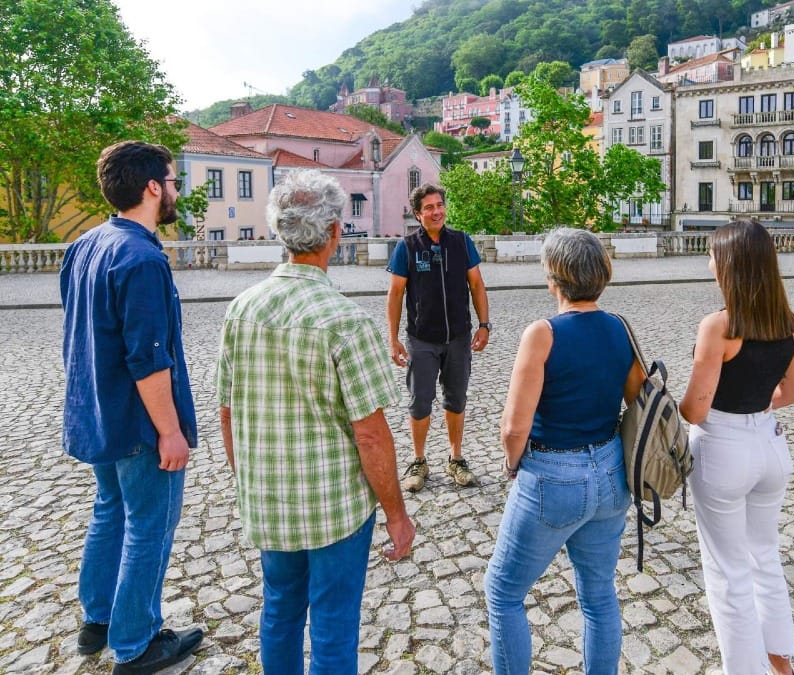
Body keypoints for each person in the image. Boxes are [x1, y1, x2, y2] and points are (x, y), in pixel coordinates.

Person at [217, 170, 416, 673]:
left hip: (269, 500)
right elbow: (370, 434)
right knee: (332, 622)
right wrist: (396, 514)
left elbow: (228, 410)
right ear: (334, 233)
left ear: (278, 232)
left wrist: (247, 480)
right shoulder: (345, 320)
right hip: (334, 508)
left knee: (279, 610)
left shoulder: (241, 309)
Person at [60, 141, 204, 673]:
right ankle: (137, 643)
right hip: (140, 422)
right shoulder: (142, 257)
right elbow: (148, 358)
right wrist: (170, 430)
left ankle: (97, 619)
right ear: (151, 187)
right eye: (172, 181)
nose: (175, 191)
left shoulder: (85, 245)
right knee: (148, 526)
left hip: (97, 410)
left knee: (109, 512)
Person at [485, 228, 644, 674]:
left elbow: (514, 427)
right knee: (598, 595)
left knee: (503, 591)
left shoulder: (543, 333)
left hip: (553, 474)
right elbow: (637, 400)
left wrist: (513, 465)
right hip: (611, 474)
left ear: (554, 277)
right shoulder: (619, 328)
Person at [679, 219, 794, 675]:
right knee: (765, 558)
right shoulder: (788, 326)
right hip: (770, 448)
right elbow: (791, 393)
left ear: (729, 266)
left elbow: (695, 409)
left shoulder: (719, 327)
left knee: (727, 571)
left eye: (713, 255)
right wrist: (757, 403)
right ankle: (780, 662)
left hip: (724, 448)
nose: (708, 261)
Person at [386, 183, 490, 491]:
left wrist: (484, 325)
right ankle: (419, 461)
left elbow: (477, 285)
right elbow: (395, 294)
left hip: (458, 336)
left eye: (439, 205)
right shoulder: (407, 247)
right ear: (418, 214)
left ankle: (456, 459)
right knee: (420, 402)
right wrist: (393, 339)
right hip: (422, 338)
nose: (436, 212)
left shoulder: (460, 242)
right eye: (428, 208)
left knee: (456, 399)